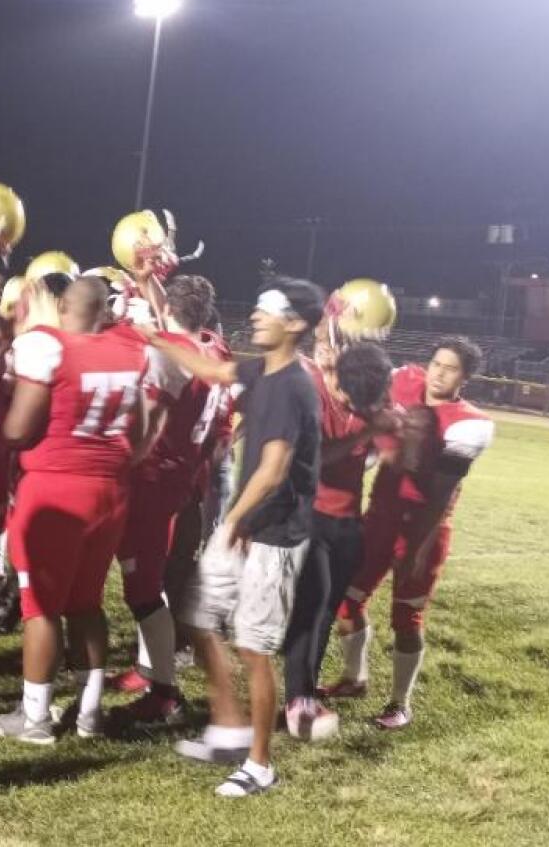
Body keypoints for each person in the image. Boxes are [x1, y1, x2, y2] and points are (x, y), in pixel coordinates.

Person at [0, 276, 165, 744]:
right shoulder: (129, 349)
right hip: (110, 490)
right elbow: (140, 433)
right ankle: (89, 713)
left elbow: (19, 430)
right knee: (86, 603)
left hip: (55, 488)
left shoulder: (47, 346)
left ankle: (36, 717)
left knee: (39, 608)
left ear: (62, 305)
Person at [158, 277, 324, 797]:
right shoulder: (261, 369)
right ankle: (229, 727)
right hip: (243, 527)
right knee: (200, 619)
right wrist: (152, 336)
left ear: (295, 324)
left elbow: (273, 470)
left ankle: (259, 763)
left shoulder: (293, 386)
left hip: (270, 536)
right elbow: (212, 369)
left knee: (253, 649)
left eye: (268, 310)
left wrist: (234, 523)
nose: (256, 315)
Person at [327, 336, 493, 730]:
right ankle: (355, 677)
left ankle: (400, 703)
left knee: (407, 617)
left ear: (464, 377)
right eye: (437, 363)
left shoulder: (471, 423)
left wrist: (418, 546)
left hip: (424, 526)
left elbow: (439, 494)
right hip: (380, 515)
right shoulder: (403, 380)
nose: (439, 373)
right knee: (347, 598)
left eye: (450, 368)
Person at [111, 275, 224, 726]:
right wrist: (147, 280)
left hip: (155, 477)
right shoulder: (213, 347)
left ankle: (163, 691)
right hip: (184, 476)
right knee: (151, 578)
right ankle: (155, 672)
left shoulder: (167, 354)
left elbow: (153, 423)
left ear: (170, 310)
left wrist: (124, 463)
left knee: (142, 584)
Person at [280, 341, 393, 740]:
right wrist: (371, 429)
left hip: (348, 525)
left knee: (326, 612)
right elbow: (311, 460)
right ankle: (298, 698)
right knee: (310, 608)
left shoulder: (370, 401)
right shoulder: (309, 392)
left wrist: (392, 435)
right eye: (349, 395)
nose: (354, 403)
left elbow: (385, 454)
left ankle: (303, 689)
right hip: (309, 520)